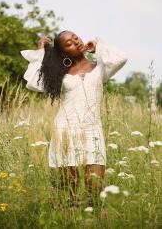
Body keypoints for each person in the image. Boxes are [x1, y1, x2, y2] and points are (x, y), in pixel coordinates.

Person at [20, 30, 128, 217]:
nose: (75, 42)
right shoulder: (60, 75)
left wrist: (97, 47)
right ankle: (67, 221)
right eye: (69, 43)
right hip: (65, 131)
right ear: (63, 53)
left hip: (92, 130)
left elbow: (121, 59)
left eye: (75, 38)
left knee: (95, 188)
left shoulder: (100, 68)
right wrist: (41, 54)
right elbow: (32, 83)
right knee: (68, 193)